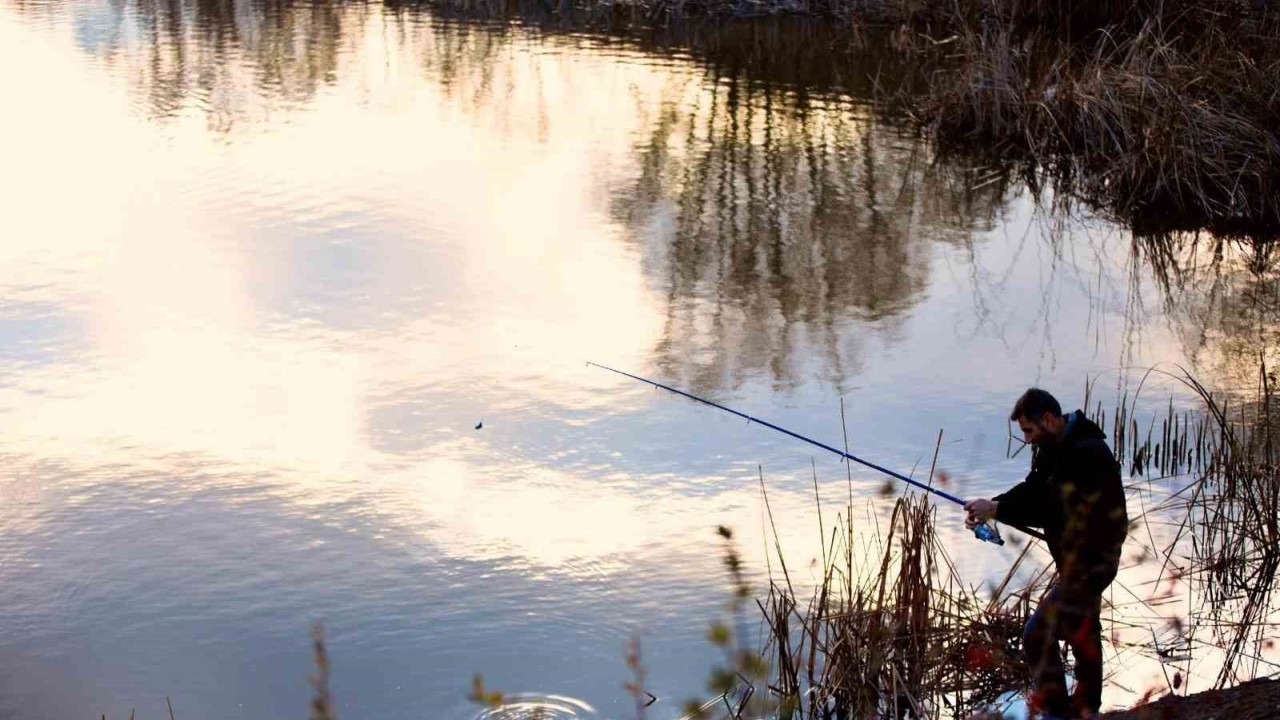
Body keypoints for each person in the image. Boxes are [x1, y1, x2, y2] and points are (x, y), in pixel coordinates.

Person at [964, 388, 1128, 719]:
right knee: (1083, 632)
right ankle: (1086, 710)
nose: (1026, 439)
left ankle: (1057, 712)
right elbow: (1033, 489)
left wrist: (996, 509)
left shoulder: (1087, 451)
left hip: (1094, 561)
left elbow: (1051, 505)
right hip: (1074, 561)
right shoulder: (1052, 447)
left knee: (1037, 635)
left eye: (1028, 430)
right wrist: (991, 506)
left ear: (1049, 419)